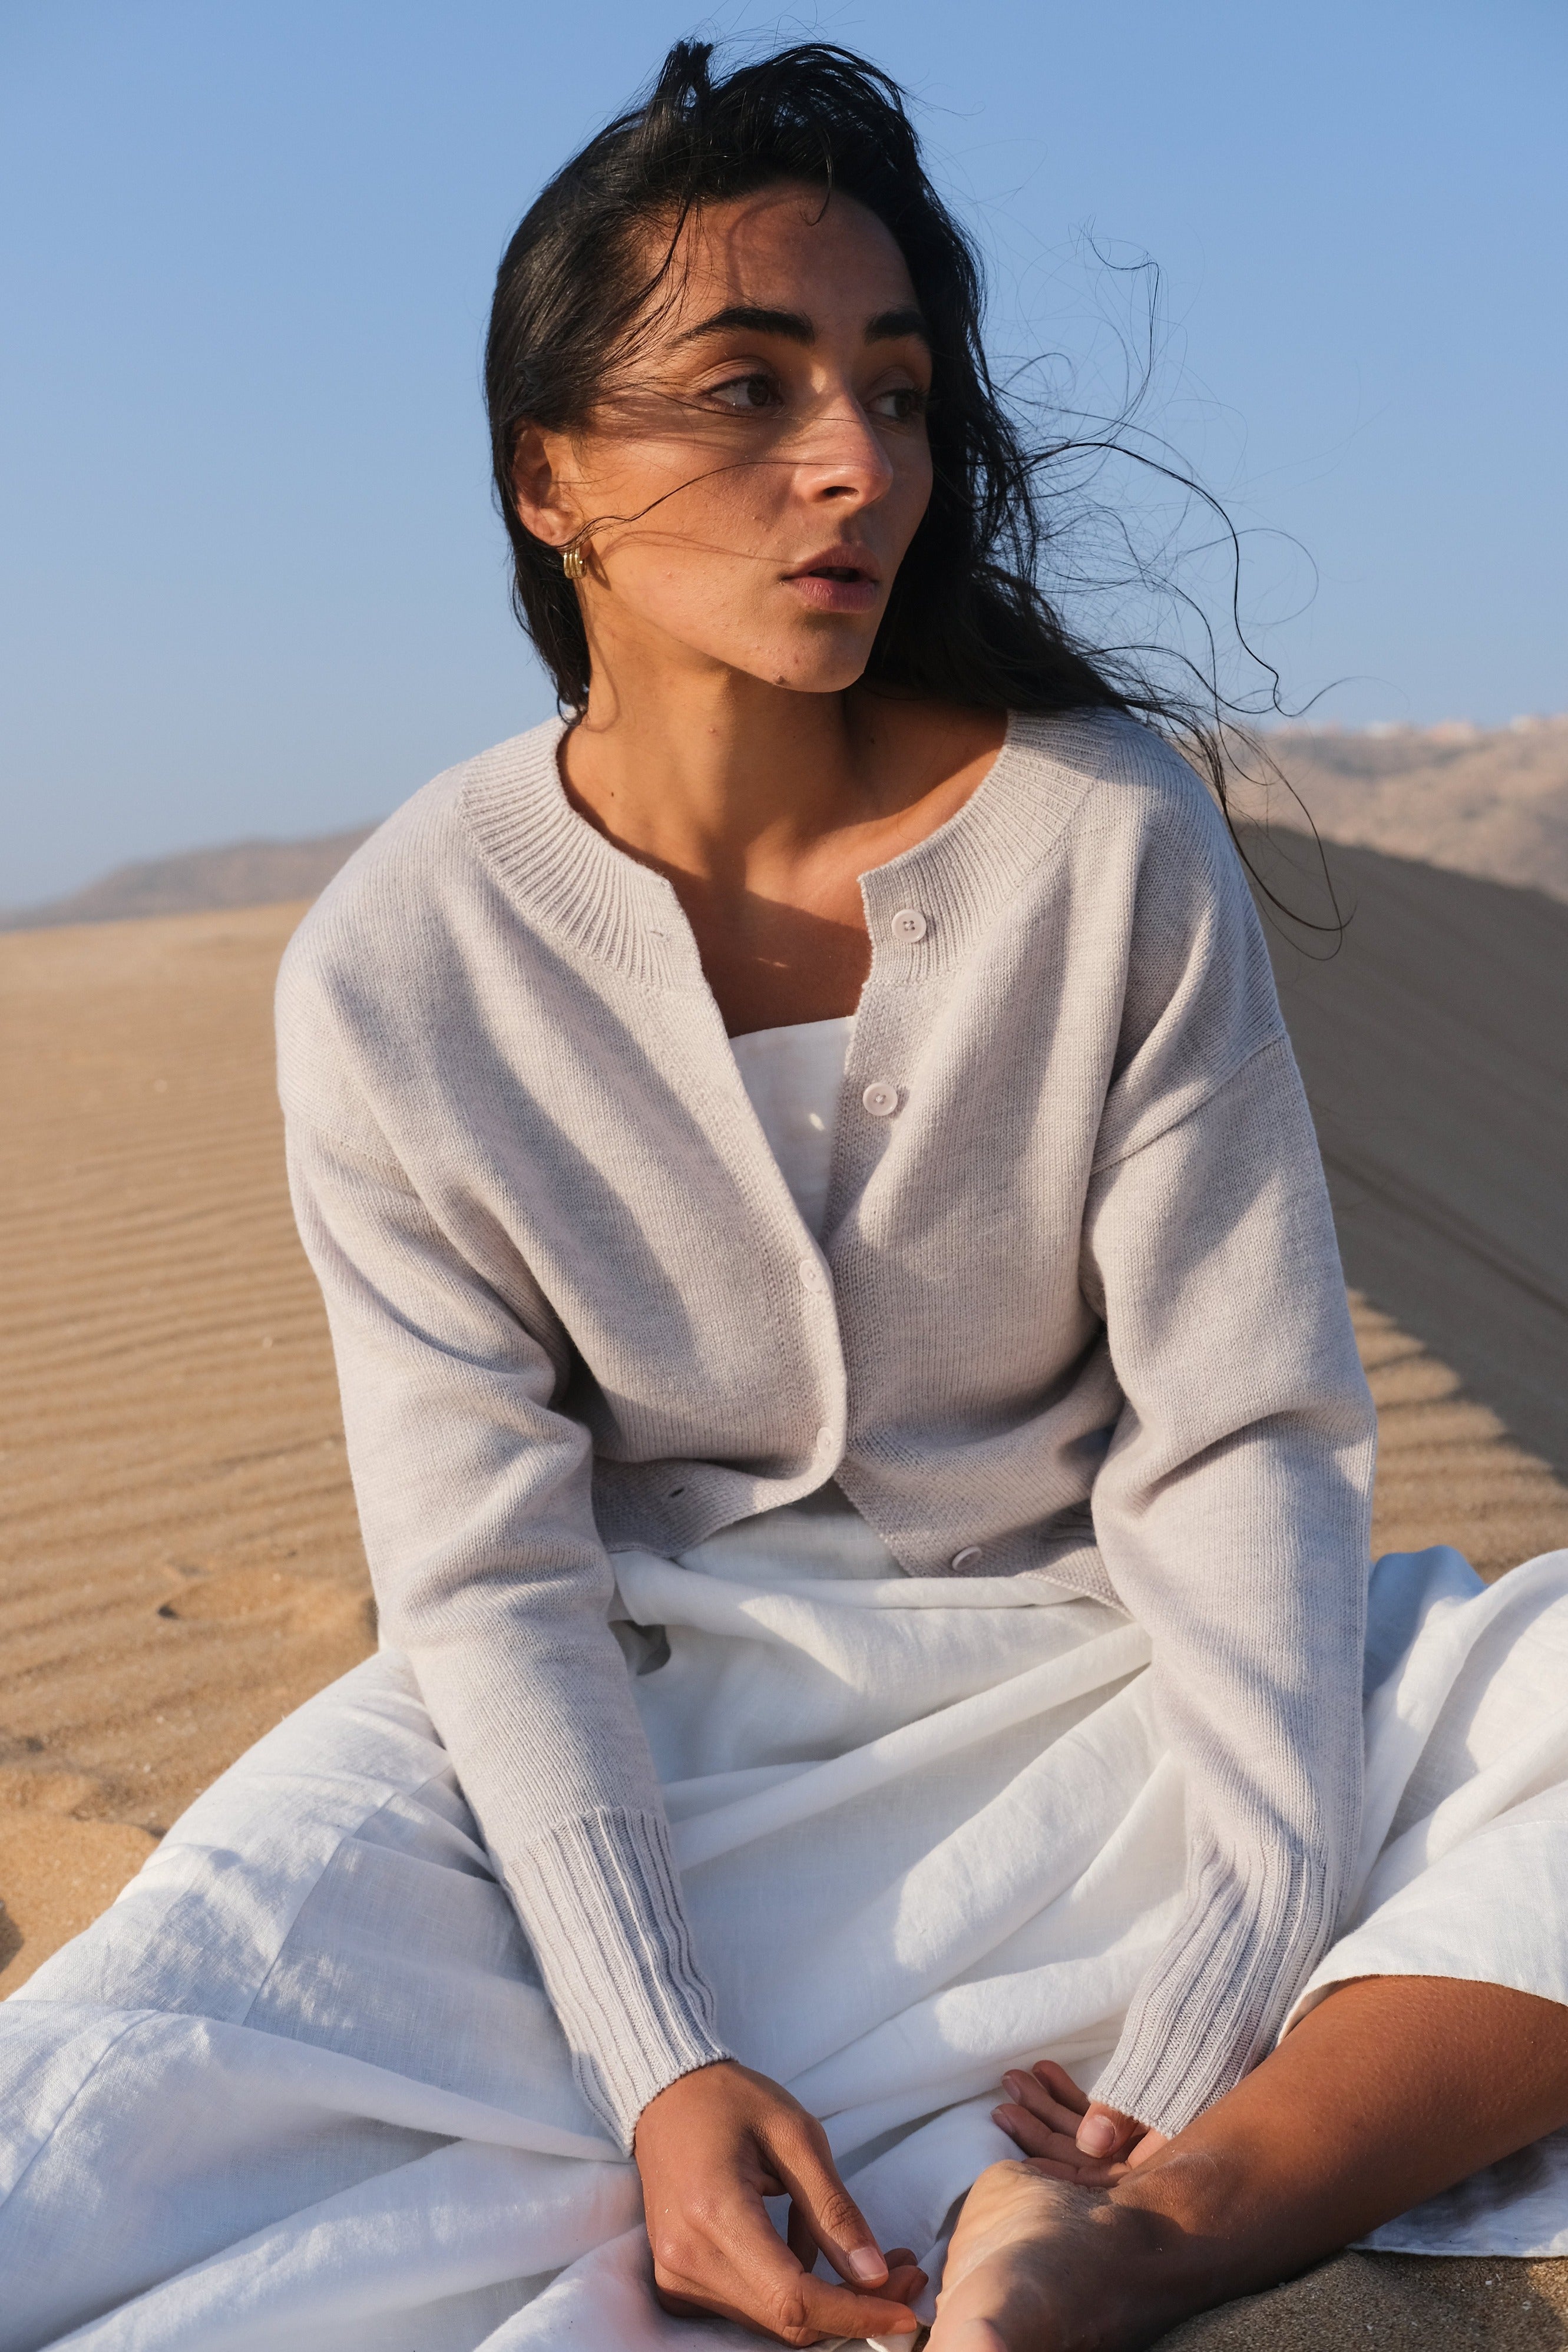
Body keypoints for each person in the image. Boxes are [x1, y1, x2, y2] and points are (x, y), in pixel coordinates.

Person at [5, 40, 1568, 2352]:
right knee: (113, 2135)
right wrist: (659, 2061)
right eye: (744, 392)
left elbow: (1243, 1446)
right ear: (550, 477)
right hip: (628, 1735)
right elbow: (491, 1566)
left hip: (1121, 1674)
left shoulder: (1098, 838)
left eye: (902, 393)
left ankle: (1154, 2232)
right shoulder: (408, 962)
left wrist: (1213, 1999)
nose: (856, 464)